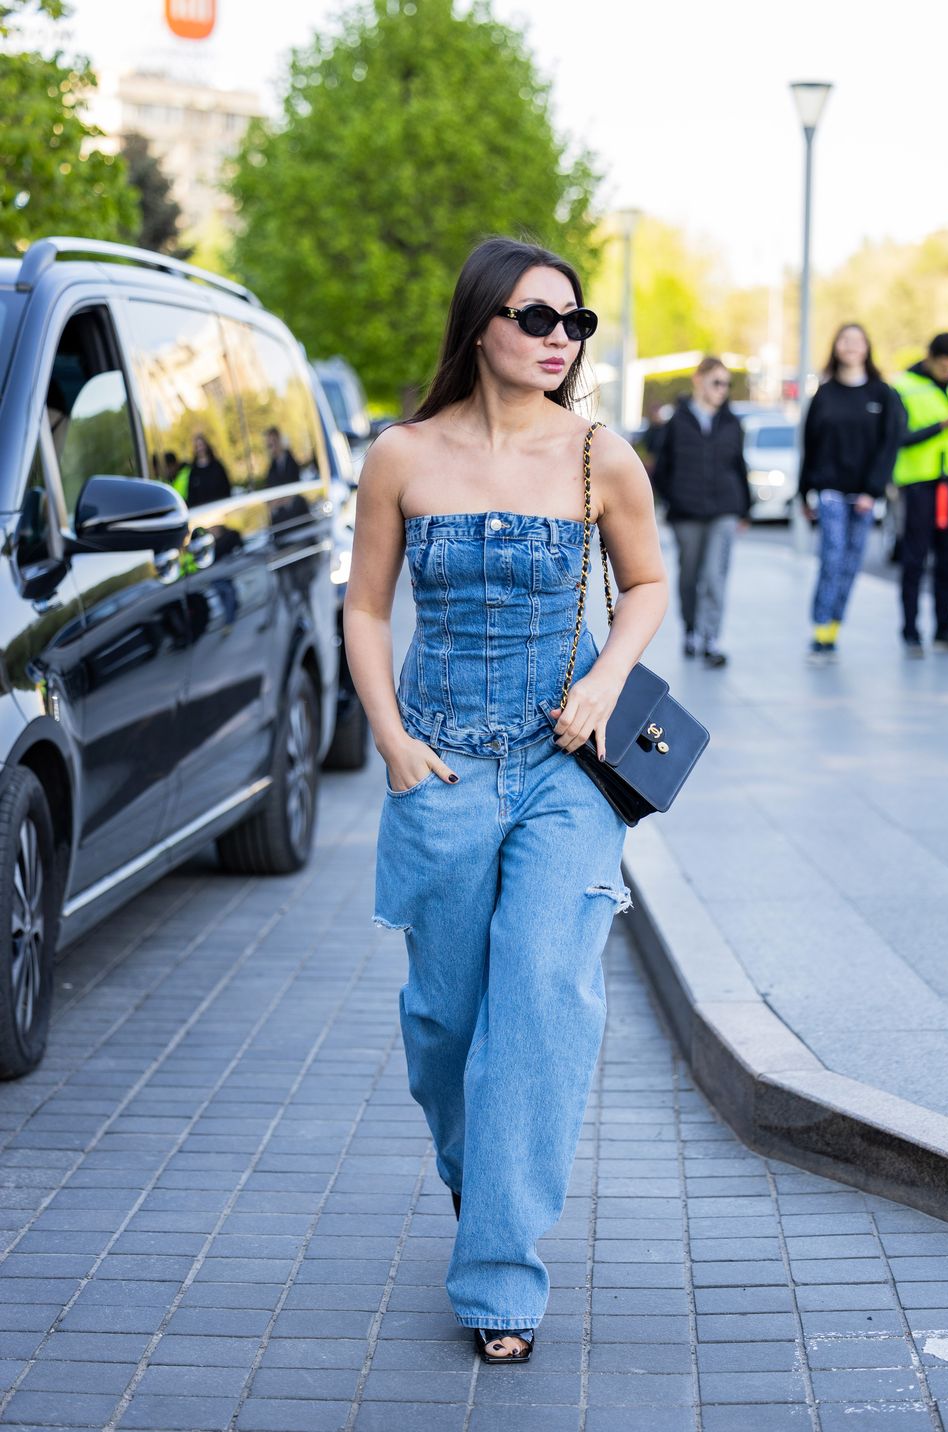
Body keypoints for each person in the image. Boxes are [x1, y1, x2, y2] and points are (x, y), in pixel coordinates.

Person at [344, 236, 667, 1362]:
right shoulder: (401, 455)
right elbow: (367, 610)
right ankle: (479, 1180)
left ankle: (497, 1279)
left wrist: (600, 679)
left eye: (572, 323)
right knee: (443, 1024)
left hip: (559, 771)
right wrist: (388, 739)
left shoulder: (596, 454)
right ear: (481, 321)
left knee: (537, 996)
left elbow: (646, 582)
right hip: (436, 763)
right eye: (537, 318)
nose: (557, 339)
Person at [799, 323, 901, 664]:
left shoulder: (882, 394)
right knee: (832, 557)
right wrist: (804, 493)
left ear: (867, 347)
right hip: (829, 492)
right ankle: (820, 631)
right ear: (836, 347)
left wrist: (873, 491)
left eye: (858, 340)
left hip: (865, 495)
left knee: (851, 563)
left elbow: (889, 446)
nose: (851, 346)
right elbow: (809, 445)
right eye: (845, 339)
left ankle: (834, 628)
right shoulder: (824, 394)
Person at [653, 356, 749, 667]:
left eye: (726, 384)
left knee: (714, 574)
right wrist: (673, 499)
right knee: (689, 575)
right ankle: (691, 629)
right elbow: (662, 468)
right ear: (699, 381)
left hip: (724, 509)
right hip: (686, 512)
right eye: (716, 382)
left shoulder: (731, 422)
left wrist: (745, 507)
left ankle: (711, 638)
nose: (722, 390)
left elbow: (739, 466)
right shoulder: (677, 422)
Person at [892, 333, 948, 656]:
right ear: (930, 357)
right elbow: (898, 437)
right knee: (914, 561)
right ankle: (911, 631)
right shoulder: (903, 386)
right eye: (943, 364)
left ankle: (944, 628)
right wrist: (938, 427)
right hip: (920, 485)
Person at [185, 433, 230, 507]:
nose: (200, 449)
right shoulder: (193, 472)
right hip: (203, 512)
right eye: (197, 447)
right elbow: (191, 495)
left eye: (201, 445)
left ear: (206, 446)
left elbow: (226, 487)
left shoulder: (217, 466)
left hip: (220, 507)